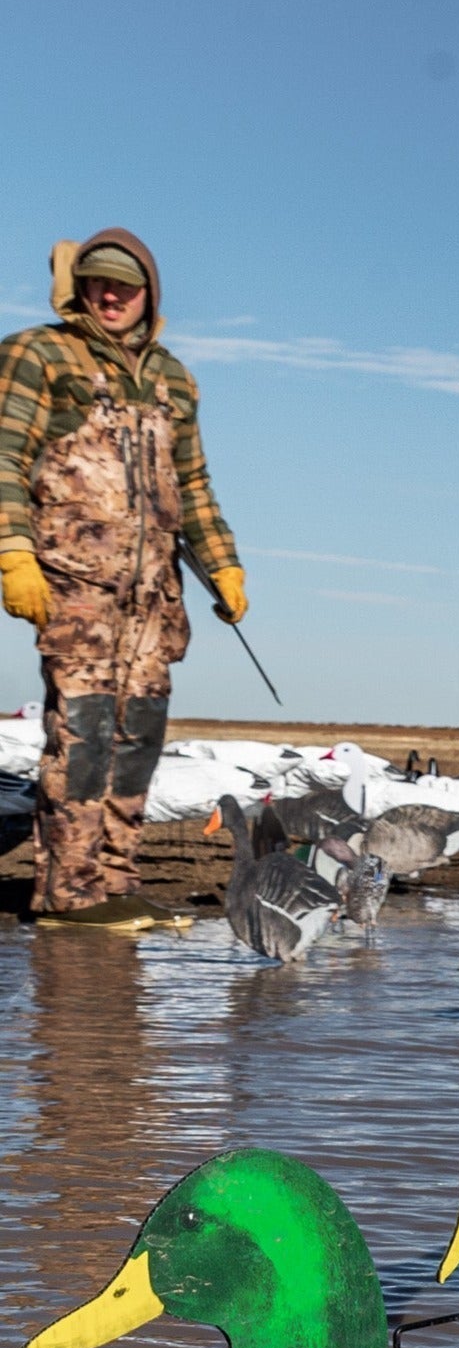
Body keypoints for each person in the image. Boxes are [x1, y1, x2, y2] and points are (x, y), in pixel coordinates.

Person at [0, 230, 246, 924]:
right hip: (75, 584)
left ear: (150, 295)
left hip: (153, 596)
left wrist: (221, 562)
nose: (111, 296)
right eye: (98, 282)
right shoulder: (37, 355)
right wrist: (14, 554)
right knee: (85, 731)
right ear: (79, 286)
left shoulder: (172, 377)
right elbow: (4, 457)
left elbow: (191, 483)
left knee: (139, 734)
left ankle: (115, 881)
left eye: (125, 286)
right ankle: (68, 892)